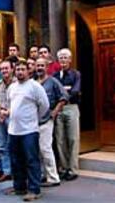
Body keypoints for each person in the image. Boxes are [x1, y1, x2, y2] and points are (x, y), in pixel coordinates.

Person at [4, 60, 49, 201]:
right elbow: (10, 104)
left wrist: (34, 119)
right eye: (17, 69)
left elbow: (45, 106)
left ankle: (34, 190)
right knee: (16, 160)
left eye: (23, 69)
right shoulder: (11, 87)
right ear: (14, 71)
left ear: (29, 71)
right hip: (13, 130)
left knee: (31, 160)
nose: (20, 72)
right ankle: (19, 187)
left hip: (29, 130)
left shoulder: (35, 86)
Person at [36, 57, 68, 187]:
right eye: (37, 65)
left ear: (47, 67)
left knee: (45, 149)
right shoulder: (33, 82)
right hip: (34, 121)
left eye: (42, 65)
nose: (39, 68)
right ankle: (44, 175)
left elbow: (64, 96)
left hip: (46, 121)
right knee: (38, 150)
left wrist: (55, 112)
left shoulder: (53, 81)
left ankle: (53, 178)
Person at [53, 48, 81, 181]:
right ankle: (63, 168)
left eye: (65, 57)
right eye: (61, 58)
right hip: (58, 109)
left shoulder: (76, 74)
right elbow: (54, 93)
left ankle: (73, 169)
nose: (63, 60)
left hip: (71, 108)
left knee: (73, 139)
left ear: (70, 59)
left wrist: (63, 92)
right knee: (60, 140)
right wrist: (66, 90)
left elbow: (75, 91)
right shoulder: (55, 76)